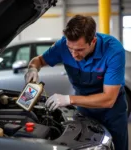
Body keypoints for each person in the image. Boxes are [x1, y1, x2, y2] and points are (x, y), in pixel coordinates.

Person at [25, 15, 128, 150]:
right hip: (83, 108)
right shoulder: (62, 45)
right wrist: (32, 68)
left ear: (93, 41)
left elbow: (109, 99)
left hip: (111, 113)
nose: (73, 54)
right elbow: (38, 60)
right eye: (70, 48)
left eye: (79, 50)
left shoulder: (113, 50)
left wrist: (69, 99)